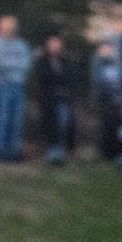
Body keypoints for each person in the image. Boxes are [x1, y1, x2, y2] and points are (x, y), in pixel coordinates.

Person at [0, 16, 32, 162]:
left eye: (11, 26)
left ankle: (14, 152)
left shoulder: (22, 44)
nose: (8, 29)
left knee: (16, 121)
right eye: (5, 25)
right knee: (2, 119)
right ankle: (0, 152)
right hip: (2, 86)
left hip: (19, 86)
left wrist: (9, 64)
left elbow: (26, 64)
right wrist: (15, 64)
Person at [36, 36, 76, 164]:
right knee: (51, 126)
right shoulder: (43, 61)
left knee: (63, 124)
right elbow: (44, 78)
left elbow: (69, 78)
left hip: (63, 98)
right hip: (49, 99)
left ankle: (61, 153)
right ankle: (53, 154)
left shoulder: (65, 61)